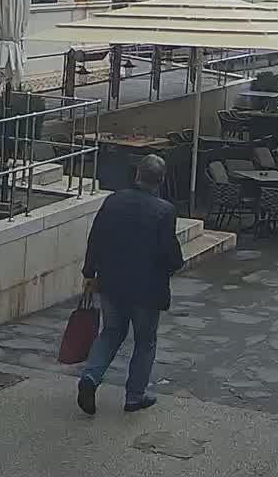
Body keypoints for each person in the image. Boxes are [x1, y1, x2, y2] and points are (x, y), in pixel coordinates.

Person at [76, 153, 184, 416]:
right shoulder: (164, 211)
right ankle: (135, 396)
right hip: (147, 288)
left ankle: (90, 377)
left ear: (137, 175)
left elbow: (96, 238)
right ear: (160, 181)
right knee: (145, 341)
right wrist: (175, 266)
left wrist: (90, 273)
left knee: (111, 332)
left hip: (112, 282)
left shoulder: (113, 201)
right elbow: (169, 252)